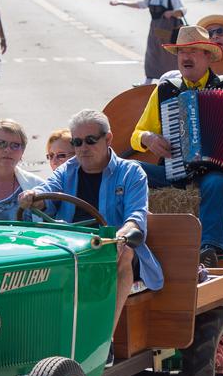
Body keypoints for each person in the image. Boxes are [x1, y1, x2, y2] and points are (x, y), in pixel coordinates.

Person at [130, 26, 223, 268]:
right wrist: (149, 139)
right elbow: (137, 134)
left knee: (218, 182)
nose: (186, 57)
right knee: (131, 168)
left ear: (208, 56)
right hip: (174, 171)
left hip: (214, 172)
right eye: (182, 52)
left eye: (194, 51)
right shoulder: (165, 91)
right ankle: (124, 235)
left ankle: (209, 247)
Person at [22, 110, 162, 336]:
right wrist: (32, 196)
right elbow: (45, 192)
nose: (82, 148)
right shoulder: (67, 170)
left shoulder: (131, 172)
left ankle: (103, 340)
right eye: (77, 142)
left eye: (90, 141)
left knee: (124, 252)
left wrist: (120, 237)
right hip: (72, 250)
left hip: (110, 249)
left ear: (108, 139)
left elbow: (136, 218)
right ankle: (36, 335)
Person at [111, 0, 184, 82]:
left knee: (168, 55)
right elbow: (139, 4)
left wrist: (172, 13)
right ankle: (148, 79)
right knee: (152, 53)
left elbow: (182, 10)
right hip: (155, 29)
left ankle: (174, 80)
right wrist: (121, 2)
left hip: (168, 30)